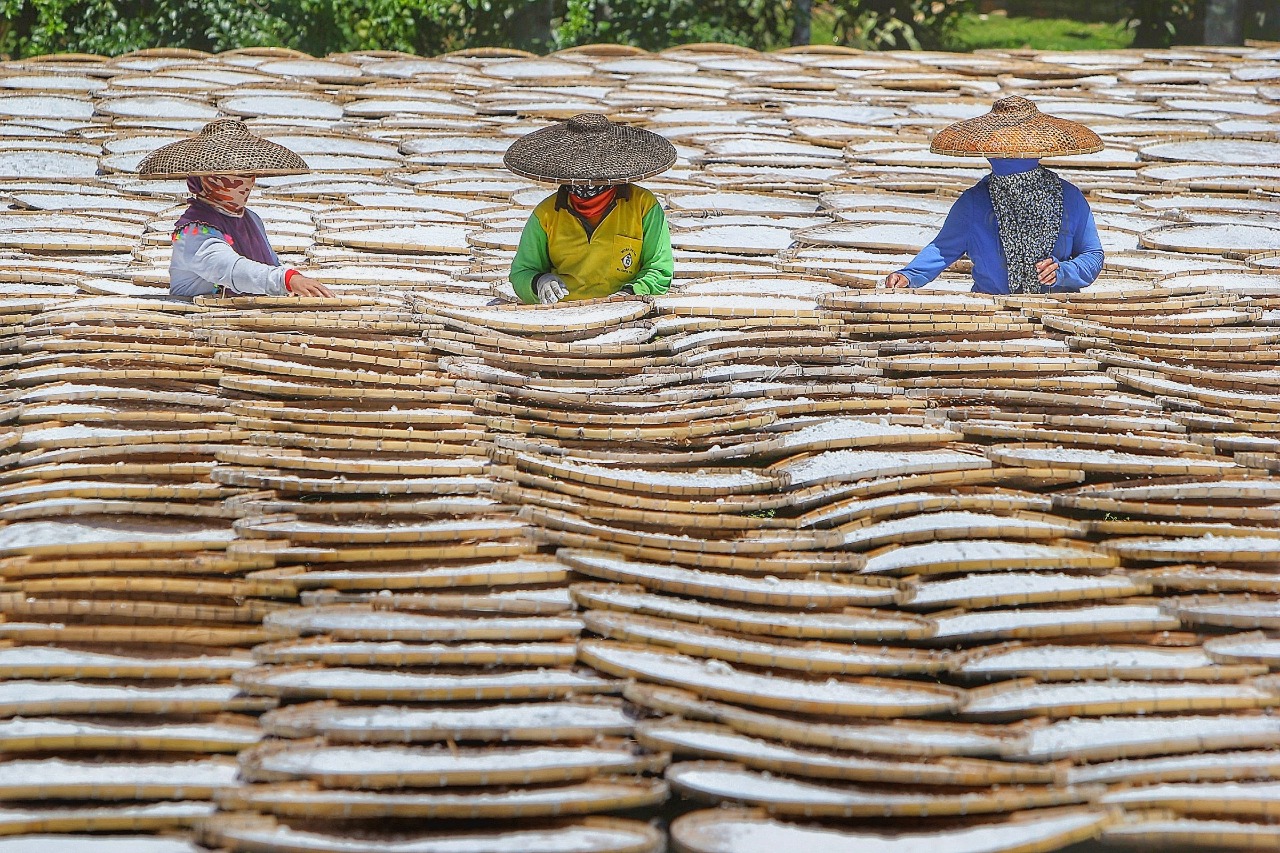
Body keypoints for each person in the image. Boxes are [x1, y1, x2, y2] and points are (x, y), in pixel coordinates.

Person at [883, 97, 1105, 296]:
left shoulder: (1069, 197)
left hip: (1058, 311)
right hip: (992, 312)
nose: (1008, 153)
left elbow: (1092, 255)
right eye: (1001, 146)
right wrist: (909, 275)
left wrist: (1063, 271)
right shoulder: (975, 202)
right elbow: (942, 249)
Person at [138, 119, 334, 300]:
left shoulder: (252, 219)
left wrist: (289, 286)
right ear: (205, 180)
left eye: (248, 175)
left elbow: (269, 265)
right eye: (231, 178)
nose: (245, 185)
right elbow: (231, 269)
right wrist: (286, 279)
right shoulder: (193, 231)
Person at [504, 113, 675, 304]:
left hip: (626, 308)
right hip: (562, 311)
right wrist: (539, 282)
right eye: (579, 174)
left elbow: (659, 269)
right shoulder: (546, 214)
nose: (587, 184)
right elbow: (521, 272)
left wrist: (629, 294)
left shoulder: (643, 205)